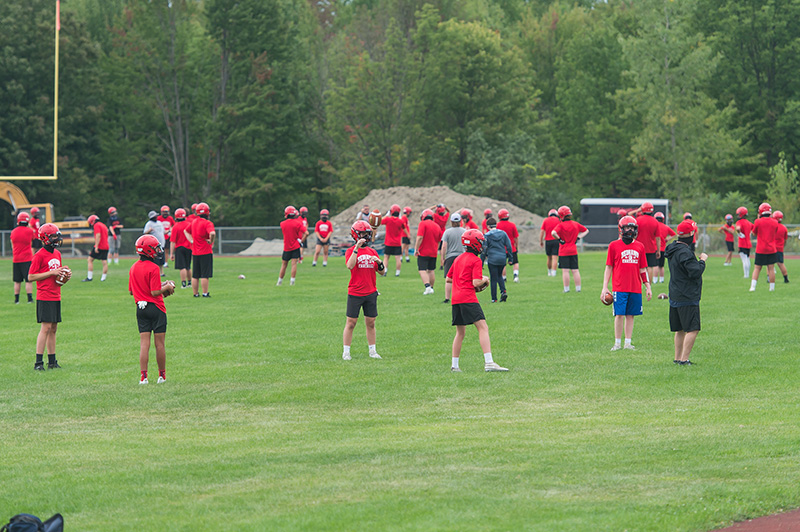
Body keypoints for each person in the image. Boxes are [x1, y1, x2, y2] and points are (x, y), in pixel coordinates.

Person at [446, 229, 508, 372]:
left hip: (456, 299)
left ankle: (455, 365)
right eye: (480, 242)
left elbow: (449, 278)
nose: (482, 245)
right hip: (468, 298)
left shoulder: (458, 258)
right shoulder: (475, 260)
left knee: (460, 333)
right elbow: (476, 282)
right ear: (474, 244)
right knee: (483, 328)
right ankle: (489, 362)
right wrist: (485, 279)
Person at [601, 216, 652, 351]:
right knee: (619, 315)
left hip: (635, 287)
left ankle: (628, 343)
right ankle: (617, 343)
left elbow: (643, 269)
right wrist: (605, 287)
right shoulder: (613, 245)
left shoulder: (640, 246)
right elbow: (609, 267)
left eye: (632, 228)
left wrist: (647, 285)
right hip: (619, 287)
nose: (630, 230)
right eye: (627, 227)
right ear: (621, 229)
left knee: (631, 315)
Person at [129, 234, 174, 384]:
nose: (157, 251)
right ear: (148, 250)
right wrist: (167, 286)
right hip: (156, 308)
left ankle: (144, 377)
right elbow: (154, 292)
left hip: (141, 308)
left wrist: (160, 286)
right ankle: (162, 376)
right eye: (154, 248)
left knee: (144, 344)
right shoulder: (154, 267)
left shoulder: (133, 267)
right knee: (159, 344)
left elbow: (132, 291)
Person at [664, 220, 707, 366]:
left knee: (680, 329)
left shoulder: (673, 248)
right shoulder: (685, 252)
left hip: (675, 293)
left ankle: (677, 358)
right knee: (693, 329)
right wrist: (702, 261)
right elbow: (695, 271)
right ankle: (684, 360)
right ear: (690, 234)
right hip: (687, 295)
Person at [28, 223, 70, 371]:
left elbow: (57, 275)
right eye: (53, 236)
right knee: (45, 328)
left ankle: (52, 361)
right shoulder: (39, 255)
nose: (56, 239)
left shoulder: (57, 254)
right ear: (45, 238)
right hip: (44, 295)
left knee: (53, 328)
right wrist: (51, 273)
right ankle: (38, 363)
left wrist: (64, 277)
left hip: (56, 294)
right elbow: (31, 276)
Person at [343, 220, 385, 361]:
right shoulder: (350, 251)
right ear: (355, 235)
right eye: (362, 234)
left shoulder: (372, 251)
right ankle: (346, 352)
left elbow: (382, 272)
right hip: (355, 292)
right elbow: (350, 265)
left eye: (367, 234)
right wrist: (356, 248)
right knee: (351, 323)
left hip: (371, 291)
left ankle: (372, 351)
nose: (366, 237)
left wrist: (379, 262)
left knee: (371, 322)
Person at [552, 206, 589, 293]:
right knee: (575, 270)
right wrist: (579, 237)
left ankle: (566, 289)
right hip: (573, 250)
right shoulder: (575, 224)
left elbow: (553, 232)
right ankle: (578, 288)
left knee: (565, 271)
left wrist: (559, 239)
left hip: (563, 251)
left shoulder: (560, 225)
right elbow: (586, 230)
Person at [186, 202, 215, 297]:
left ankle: (195, 294)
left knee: (195, 275)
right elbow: (212, 233)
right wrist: (211, 241)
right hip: (206, 251)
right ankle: (205, 293)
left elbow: (186, 231)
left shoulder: (194, 222)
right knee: (205, 275)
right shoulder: (208, 223)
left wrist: (191, 240)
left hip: (195, 252)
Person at [481, 218, 514, 303]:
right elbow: (509, 246)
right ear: (496, 224)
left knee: (493, 278)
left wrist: (481, 263)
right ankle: (503, 291)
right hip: (502, 258)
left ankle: (494, 298)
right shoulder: (503, 234)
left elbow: (484, 250)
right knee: (499, 275)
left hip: (492, 259)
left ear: (488, 226)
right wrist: (510, 258)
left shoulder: (487, 236)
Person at [749, 202, 779, 292]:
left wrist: (758, 219)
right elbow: (775, 232)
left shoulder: (757, 221)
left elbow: (754, 233)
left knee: (757, 268)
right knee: (771, 268)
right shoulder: (775, 222)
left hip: (761, 248)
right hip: (772, 248)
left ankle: (753, 287)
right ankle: (772, 288)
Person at [277, 205, 307, 286]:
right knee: (294, 264)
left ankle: (279, 282)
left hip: (286, 247)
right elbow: (306, 233)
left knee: (284, 265)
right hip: (296, 246)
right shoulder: (298, 223)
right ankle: (292, 282)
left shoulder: (282, 224)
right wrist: (301, 241)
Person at [415, 209, 443, 295]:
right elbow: (439, 241)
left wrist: (416, 249)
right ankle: (431, 287)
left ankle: (427, 287)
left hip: (423, 251)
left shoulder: (422, 224)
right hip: (433, 251)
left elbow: (420, 237)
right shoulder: (437, 226)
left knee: (422, 269)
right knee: (431, 270)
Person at [440, 212, 466, 304]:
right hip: (462, 257)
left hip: (450, 257)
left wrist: (442, 258)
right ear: (460, 221)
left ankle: (447, 298)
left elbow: (444, 246)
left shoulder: (447, 232)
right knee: (461, 279)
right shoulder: (464, 231)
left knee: (448, 279)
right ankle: (461, 297)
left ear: (451, 221)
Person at [11, 211, 35, 304]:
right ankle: (29, 299)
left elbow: (13, 244)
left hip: (16, 259)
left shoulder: (13, 232)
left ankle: (16, 300)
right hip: (27, 258)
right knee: (28, 280)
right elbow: (33, 239)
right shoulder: (29, 231)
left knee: (17, 281)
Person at [381, 204, 408, 277]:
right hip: (397, 243)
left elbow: (380, 221)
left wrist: (387, 215)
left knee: (386, 257)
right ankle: (397, 273)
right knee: (398, 258)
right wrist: (408, 236)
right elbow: (404, 229)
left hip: (388, 242)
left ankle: (385, 271)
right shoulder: (400, 221)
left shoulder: (388, 219)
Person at [169, 208, 192, 288]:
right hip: (189, 247)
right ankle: (190, 283)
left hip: (179, 248)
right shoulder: (189, 224)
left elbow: (173, 241)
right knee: (188, 266)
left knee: (182, 267)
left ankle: (183, 283)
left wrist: (171, 253)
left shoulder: (175, 226)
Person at [82, 214, 110, 282]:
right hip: (106, 246)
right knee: (104, 262)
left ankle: (89, 277)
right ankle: (103, 278)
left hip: (100, 246)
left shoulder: (96, 225)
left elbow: (98, 235)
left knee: (90, 260)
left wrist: (96, 246)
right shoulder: (103, 225)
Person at [496, 209, 520, 283]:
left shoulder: (498, 225)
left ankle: (504, 278)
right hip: (512, 247)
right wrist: (516, 246)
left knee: (503, 264)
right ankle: (515, 276)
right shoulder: (512, 225)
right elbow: (516, 237)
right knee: (515, 262)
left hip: (501, 248)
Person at [143, 211, 166, 277]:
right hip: (154, 246)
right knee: (156, 260)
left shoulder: (159, 223)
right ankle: (156, 272)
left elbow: (163, 232)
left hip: (161, 244)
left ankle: (162, 272)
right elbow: (145, 233)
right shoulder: (149, 224)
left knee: (161, 260)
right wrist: (149, 230)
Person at [654, 211, 676, 283]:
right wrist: (667, 239)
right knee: (661, 266)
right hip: (663, 248)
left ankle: (654, 280)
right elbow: (673, 234)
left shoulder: (654, 226)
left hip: (654, 248)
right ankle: (661, 279)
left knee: (655, 265)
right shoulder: (666, 227)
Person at [539, 208, 561, 277]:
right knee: (555, 258)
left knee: (549, 257)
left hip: (548, 241)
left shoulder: (546, 220)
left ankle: (549, 272)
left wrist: (541, 241)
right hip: (556, 240)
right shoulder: (558, 220)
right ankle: (553, 273)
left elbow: (542, 231)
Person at [735, 206, 753, 279]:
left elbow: (738, 228)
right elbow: (754, 228)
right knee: (747, 259)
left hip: (742, 243)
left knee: (744, 260)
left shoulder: (739, 222)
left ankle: (746, 275)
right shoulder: (749, 223)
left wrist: (739, 233)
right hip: (748, 243)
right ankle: (747, 274)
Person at [773, 210, 789, 283]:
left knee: (770, 264)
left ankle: (768, 278)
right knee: (781, 264)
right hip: (780, 248)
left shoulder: (772, 226)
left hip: (772, 247)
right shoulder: (784, 228)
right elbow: (785, 239)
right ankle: (786, 278)